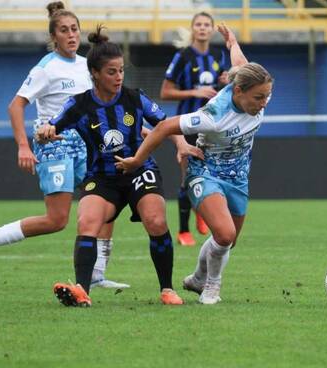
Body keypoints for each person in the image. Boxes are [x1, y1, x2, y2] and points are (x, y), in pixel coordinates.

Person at [0, 2, 129, 290]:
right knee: (56, 220)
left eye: (74, 29)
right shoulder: (46, 68)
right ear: (54, 37)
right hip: (55, 145)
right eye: (64, 31)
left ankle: (96, 273)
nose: (71, 35)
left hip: (86, 145)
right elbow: (16, 106)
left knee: (108, 200)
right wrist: (23, 147)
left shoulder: (86, 66)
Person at [37, 25, 202, 307]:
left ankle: (167, 289)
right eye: (112, 72)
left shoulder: (135, 99)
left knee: (156, 220)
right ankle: (81, 291)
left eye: (121, 70)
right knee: (86, 221)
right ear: (95, 74)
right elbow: (52, 124)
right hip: (102, 177)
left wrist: (182, 145)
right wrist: (45, 131)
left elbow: (164, 125)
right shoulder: (78, 105)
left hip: (139, 170)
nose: (118, 77)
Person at [116, 23, 273, 305]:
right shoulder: (213, 115)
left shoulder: (253, 86)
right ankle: (212, 286)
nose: (263, 103)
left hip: (238, 177)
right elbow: (163, 127)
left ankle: (198, 278)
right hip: (205, 171)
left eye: (266, 96)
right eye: (258, 97)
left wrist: (232, 41)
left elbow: (240, 63)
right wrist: (138, 159)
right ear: (238, 92)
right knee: (224, 234)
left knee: (229, 240)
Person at [160, 11, 230, 246]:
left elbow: (229, 87)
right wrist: (194, 92)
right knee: (186, 175)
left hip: (214, 126)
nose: (202, 28)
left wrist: (225, 82)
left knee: (210, 174)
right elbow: (165, 92)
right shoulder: (183, 56)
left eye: (206, 24)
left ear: (211, 30)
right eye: (198, 24)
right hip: (188, 123)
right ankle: (183, 231)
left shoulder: (219, 55)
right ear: (193, 29)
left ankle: (202, 212)